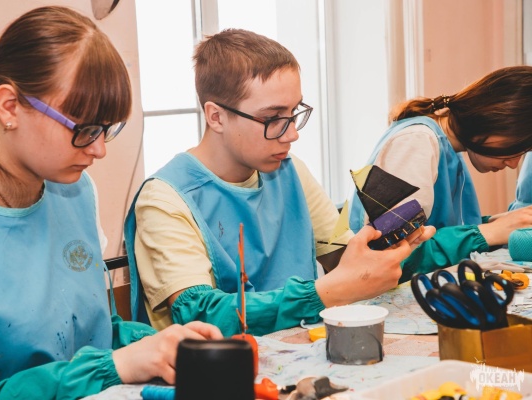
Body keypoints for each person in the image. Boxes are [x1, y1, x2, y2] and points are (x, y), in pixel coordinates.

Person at [0, 6, 222, 400]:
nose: (99, 149)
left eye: (107, 130)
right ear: (9, 106)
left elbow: (93, 333)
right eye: (84, 129)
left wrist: (160, 344)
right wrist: (116, 365)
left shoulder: (77, 191)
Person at [124, 28, 435, 337]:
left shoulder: (290, 169)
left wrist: (383, 253)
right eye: (273, 118)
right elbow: (202, 314)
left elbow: (343, 256)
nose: (292, 134)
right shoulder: (164, 199)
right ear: (216, 117)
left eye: (294, 112)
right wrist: (326, 292)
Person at [347, 66, 532, 282]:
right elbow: (391, 255)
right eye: (515, 148)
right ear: (494, 121)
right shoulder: (416, 143)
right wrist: (489, 232)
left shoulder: (449, 150)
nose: (513, 164)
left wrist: (494, 223)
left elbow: (433, 228)